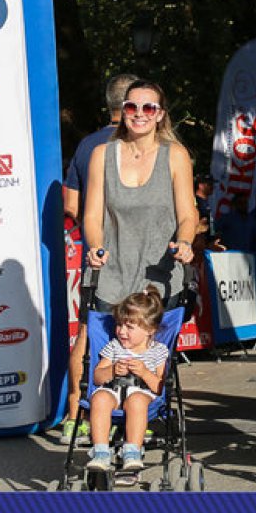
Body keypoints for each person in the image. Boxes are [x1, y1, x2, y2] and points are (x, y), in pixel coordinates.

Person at [72, 80, 197, 437]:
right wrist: (95, 246)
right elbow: (91, 215)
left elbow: (187, 214)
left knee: (151, 358)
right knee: (98, 348)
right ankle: (87, 420)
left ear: (160, 115)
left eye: (148, 108)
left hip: (159, 277)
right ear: (122, 111)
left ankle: (139, 424)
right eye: (132, 107)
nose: (139, 114)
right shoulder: (102, 155)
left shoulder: (175, 155)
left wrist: (185, 242)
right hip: (112, 274)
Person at [58, 71, 134, 445]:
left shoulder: (87, 145)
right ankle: (132, 414)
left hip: (96, 252)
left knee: (88, 333)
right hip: (134, 253)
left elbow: (70, 206)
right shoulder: (141, 144)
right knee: (137, 332)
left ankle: (75, 415)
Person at [84, 288, 171, 472]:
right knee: (99, 398)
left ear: (150, 330)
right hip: (113, 392)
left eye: (129, 327)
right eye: (119, 324)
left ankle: (132, 451)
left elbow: (160, 387)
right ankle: (101, 452)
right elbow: (97, 377)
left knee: (136, 400)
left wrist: (145, 372)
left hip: (142, 394)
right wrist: (112, 370)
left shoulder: (158, 351)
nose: (121, 331)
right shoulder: (115, 347)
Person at [64, 72, 136, 222]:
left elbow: (71, 206)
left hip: (94, 234)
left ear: (109, 102)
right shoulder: (146, 143)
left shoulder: (86, 145)